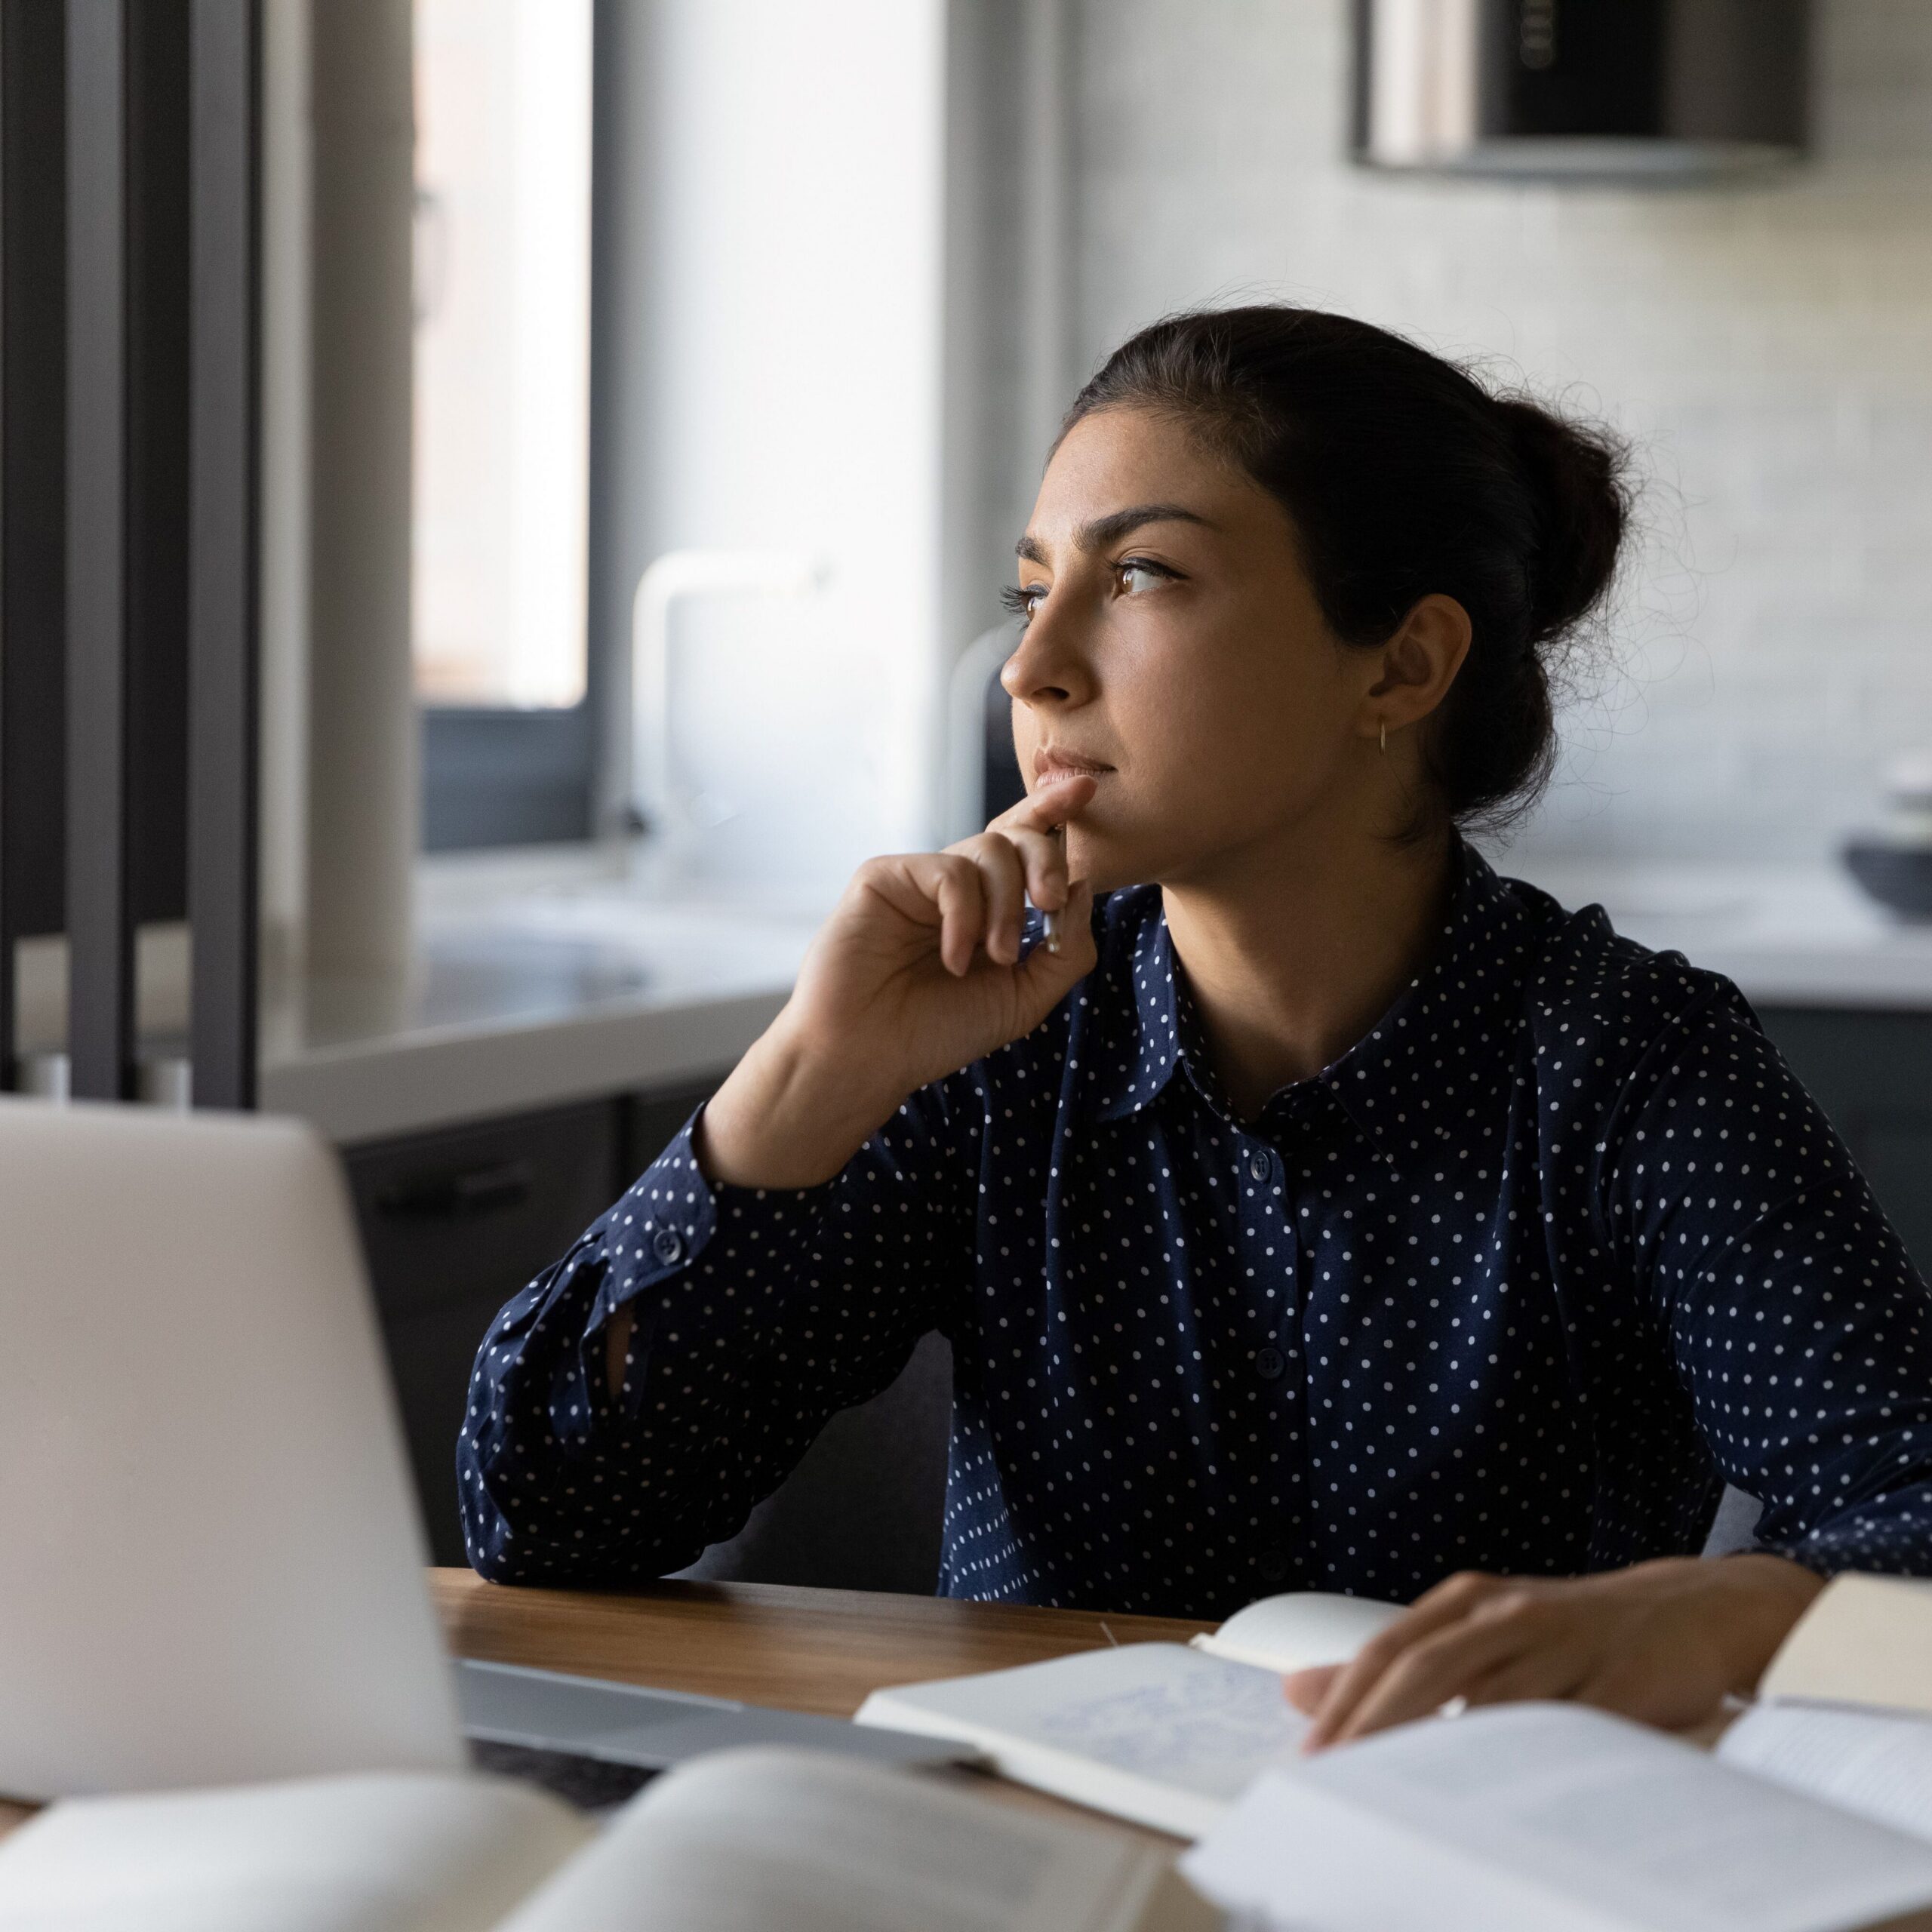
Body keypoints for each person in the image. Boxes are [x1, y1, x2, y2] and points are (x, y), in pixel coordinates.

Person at [459, 306, 1932, 1749]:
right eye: (1028, 588)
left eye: (1143, 572)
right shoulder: (986, 1048)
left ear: (1401, 667)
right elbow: (541, 1516)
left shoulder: (1628, 1063)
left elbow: (1906, 1507)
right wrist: (805, 1073)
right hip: (1031, 1853)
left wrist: (1704, 1612)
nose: (1032, 667)